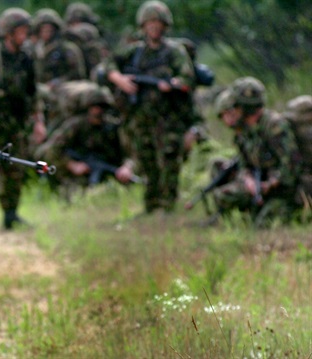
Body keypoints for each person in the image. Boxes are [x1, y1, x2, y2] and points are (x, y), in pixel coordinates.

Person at [104, 0, 195, 213]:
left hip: (168, 117)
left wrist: (173, 84)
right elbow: (108, 64)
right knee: (146, 160)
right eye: (150, 23)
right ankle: (150, 206)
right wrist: (119, 80)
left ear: (165, 25)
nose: (154, 27)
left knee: (169, 161)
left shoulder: (174, 51)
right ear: (143, 26)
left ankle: (168, 206)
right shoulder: (135, 52)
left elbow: (187, 78)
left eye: (158, 23)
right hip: (140, 116)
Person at [0, 8, 46, 229]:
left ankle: (11, 214)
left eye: (26, 30)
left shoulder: (26, 57)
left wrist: (38, 121)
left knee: (15, 169)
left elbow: (33, 92)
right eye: (20, 31)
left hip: (17, 123)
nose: (24, 35)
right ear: (9, 32)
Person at [211, 77, 302, 226]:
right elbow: (243, 163)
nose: (233, 111)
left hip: (284, 192)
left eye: (236, 107)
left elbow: (292, 166)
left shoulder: (274, 126)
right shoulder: (244, 131)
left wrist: (270, 184)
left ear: (244, 107)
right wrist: (247, 180)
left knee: (264, 224)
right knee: (224, 195)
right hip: (261, 186)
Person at [36, 81, 136, 196]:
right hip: (77, 174)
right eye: (95, 107)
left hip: (108, 169)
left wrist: (127, 167)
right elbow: (50, 150)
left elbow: (131, 153)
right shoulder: (75, 125)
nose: (98, 111)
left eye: (102, 107)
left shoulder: (113, 127)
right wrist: (71, 164)